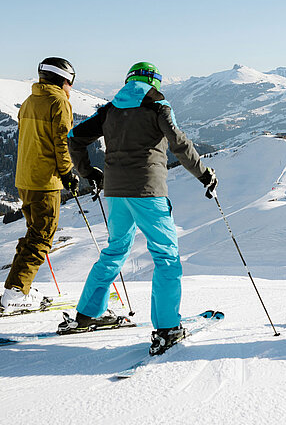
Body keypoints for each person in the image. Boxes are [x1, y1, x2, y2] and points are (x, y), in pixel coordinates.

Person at [62, 62, 218, 355]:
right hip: (148, 192)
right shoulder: (157, 105)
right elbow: (179, 144)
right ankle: (167, 327)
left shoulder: (110, 109)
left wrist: (89, 173)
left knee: (115, 251)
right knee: (166, 256)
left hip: (116, 192)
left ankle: (87, 313)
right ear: (152, 82)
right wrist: (204, 174)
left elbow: (74, 138)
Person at [1, 58, 79, 314]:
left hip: (25, 179)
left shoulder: (30, 101)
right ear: (63, 79)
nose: (71, 88)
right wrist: (68, 173)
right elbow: (61, 143)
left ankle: (16, 287)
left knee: (33, 234)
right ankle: (15, 294)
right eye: (70, 82)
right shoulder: (58, 102)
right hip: (45, 181)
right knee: (42, 236)